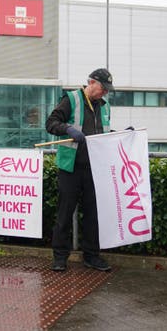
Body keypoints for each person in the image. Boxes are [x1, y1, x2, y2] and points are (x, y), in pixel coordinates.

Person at [45, 68, 114, 272]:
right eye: (103, 88)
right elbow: (50, 123)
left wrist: (122, 135)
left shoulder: (105, 105)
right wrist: (67, 129)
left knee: (93, 213)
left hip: (95, 168)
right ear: (91, 83)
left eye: (107, 90)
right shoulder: (72, 99)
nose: (105, 93)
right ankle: (59, 257)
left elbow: (105, 131)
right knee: (65, 213)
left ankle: (91, 255)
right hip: (71, 167)